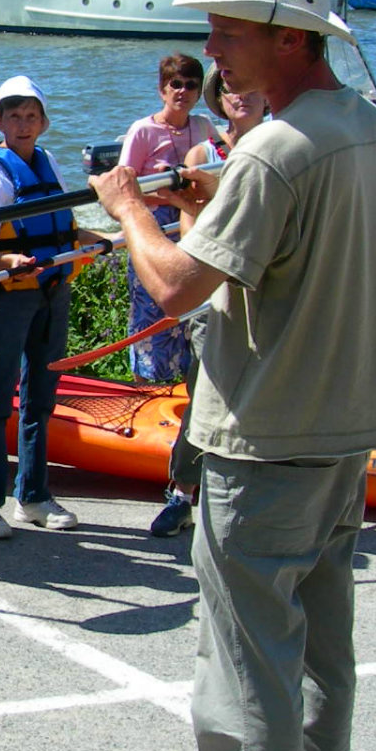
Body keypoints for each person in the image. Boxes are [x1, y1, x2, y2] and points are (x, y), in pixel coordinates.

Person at [91, 0, 376, 751]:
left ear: (287, 35)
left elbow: (176, 287)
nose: (213, 53)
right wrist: (205, 207)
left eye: (229, 32)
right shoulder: (366, 131)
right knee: (318, 659)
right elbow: (305, 256)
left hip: (266, 437)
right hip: (343, 433)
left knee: (244, 669)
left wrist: (132, 209)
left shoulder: (273, 150)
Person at [0, 76, 106, 539]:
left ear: (42, 122)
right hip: (7, 297)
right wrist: (10, 261)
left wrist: (93, 243)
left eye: (31, 116)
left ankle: (33, 495)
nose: (23, 125)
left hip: (51, 292)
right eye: (13, 116)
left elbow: (64, 229)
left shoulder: (49, 163)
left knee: (40, 397)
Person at [149, 66, 268, 538]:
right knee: (205, 396)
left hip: (263, 294)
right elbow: (191, 228)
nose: (241, 96)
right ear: (220, 98)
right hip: (215, 295)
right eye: (231, 89)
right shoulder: (206, 153)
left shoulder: (279, 149)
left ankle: (250, 493)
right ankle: (182, 493)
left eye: (251, 88)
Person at [116, 54, 219, 383]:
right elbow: (124, 187)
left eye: (191, 86)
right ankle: (144, 385)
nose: (183, 92)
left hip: (191, 227)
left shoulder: (202, 126)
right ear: (162, 89)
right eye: (176, 84)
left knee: (188, 313)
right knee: (150, 312)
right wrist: (165, 195)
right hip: (155, 227)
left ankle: (181, 382)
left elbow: (224, 153)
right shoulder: (143, 131)